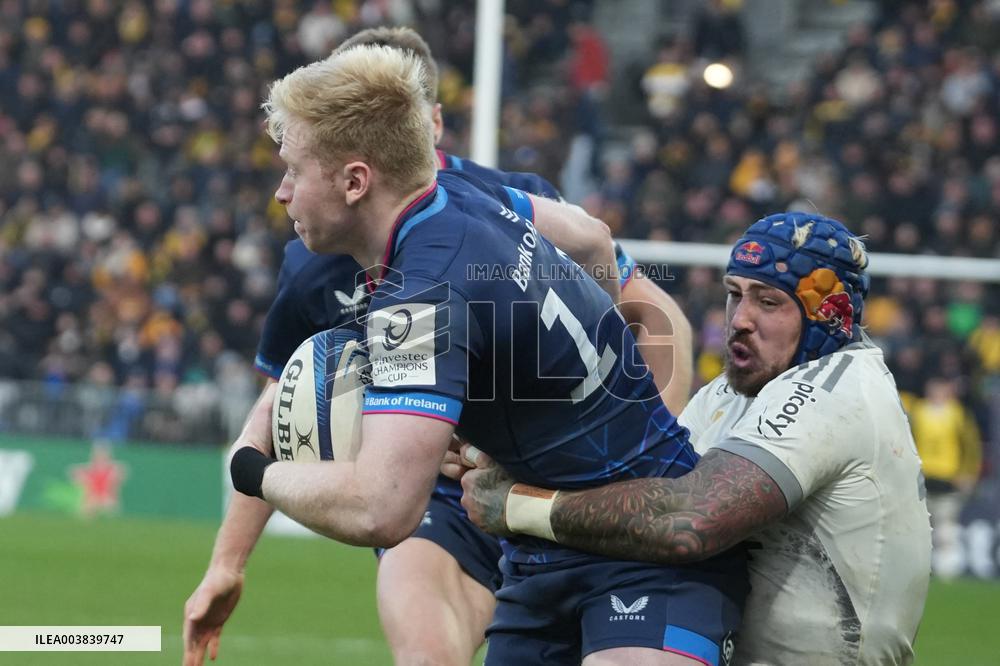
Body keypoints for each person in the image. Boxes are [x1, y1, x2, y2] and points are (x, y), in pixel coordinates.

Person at [183, 28, 693, 666]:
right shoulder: (459, 195)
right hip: (511, 521)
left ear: (357, 178)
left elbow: (381, 509)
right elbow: (591, 238)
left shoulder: (422, 291)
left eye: (292, 171)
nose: (281, 192)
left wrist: (252, 471)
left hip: (618, 522)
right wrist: (574, 384)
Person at [458, 212, 933, 665]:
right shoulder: (729, 392)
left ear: (827, 316)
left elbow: (690, 520)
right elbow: (647, 486)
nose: (740, 319)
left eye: (768, 302)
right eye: (734, 294)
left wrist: (518, 505)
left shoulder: (835, 391)